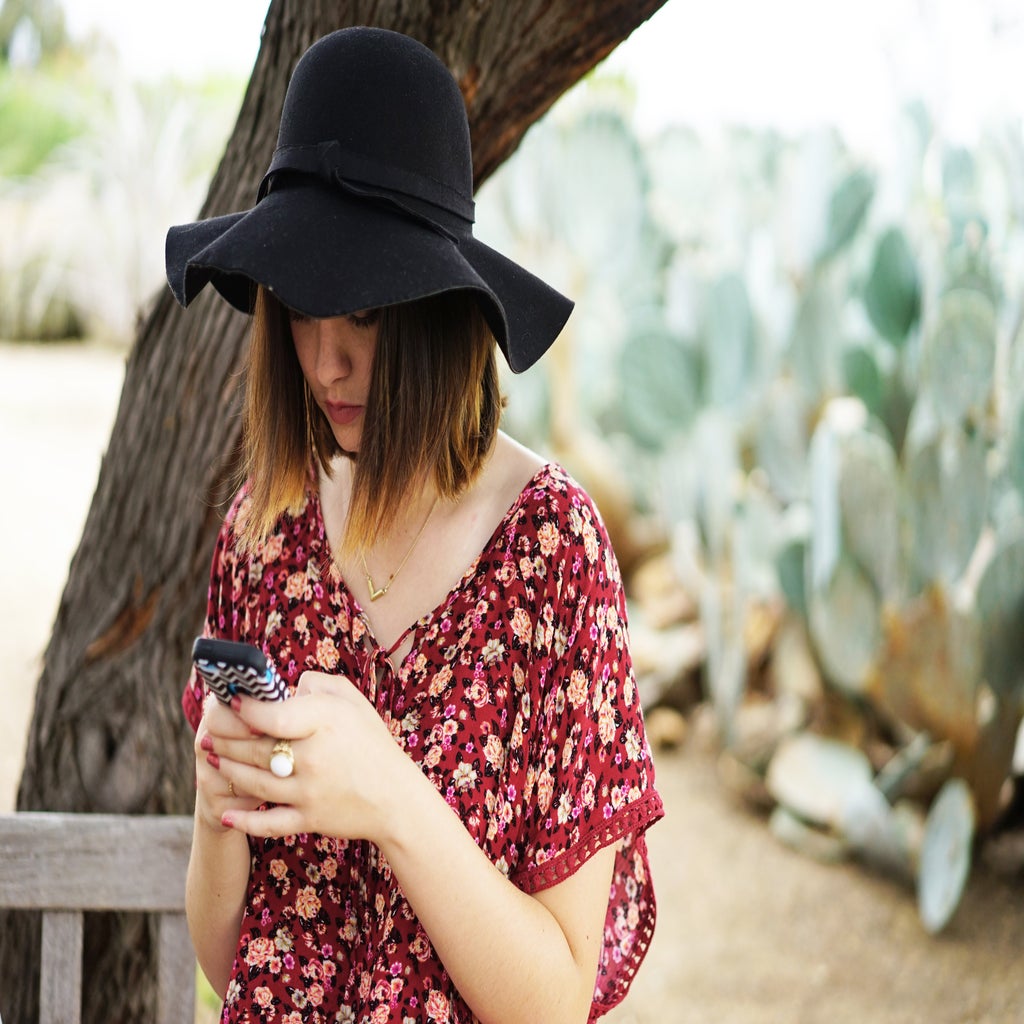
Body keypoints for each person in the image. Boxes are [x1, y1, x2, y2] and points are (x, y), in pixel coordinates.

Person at [166, 26, 663, 1024]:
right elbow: (232, 956)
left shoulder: (552, 553)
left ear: (439, 308)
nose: (323, 362)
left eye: (365, 314)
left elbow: (554, 1001)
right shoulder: (264, 535)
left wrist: (388, 796)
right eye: (300, 308)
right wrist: (218, 801)